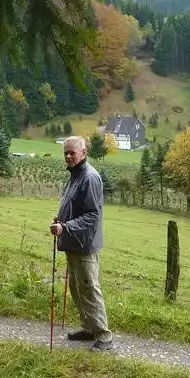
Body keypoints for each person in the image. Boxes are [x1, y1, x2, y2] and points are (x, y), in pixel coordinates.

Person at [49, 136, 113, 352]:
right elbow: (75, 207)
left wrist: (66, 227)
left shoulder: (89, 177)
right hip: (73, 242)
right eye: (65, 153)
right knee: (77, 289)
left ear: (84, 153)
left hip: (84, 244)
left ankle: (104, 336)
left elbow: (93, 215)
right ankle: (89, 328)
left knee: (89, 288)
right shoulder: (75, 175)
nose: (68, 156)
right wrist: (61, 220)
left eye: (72, 153)